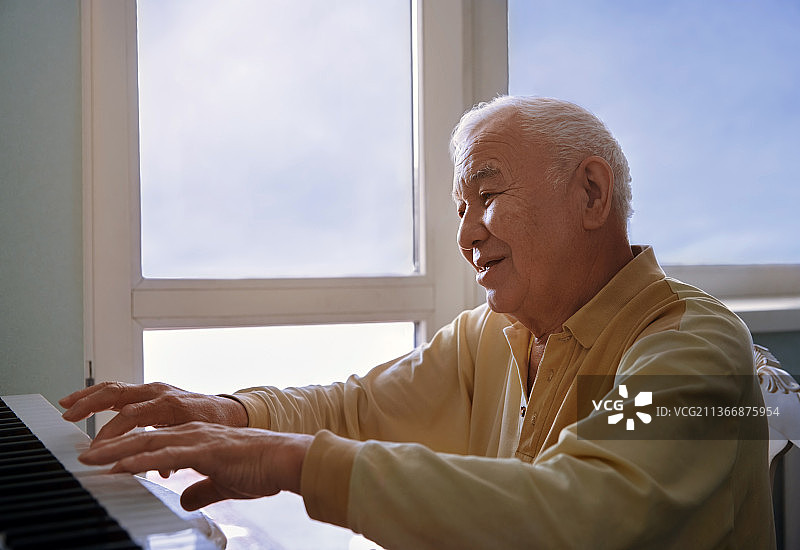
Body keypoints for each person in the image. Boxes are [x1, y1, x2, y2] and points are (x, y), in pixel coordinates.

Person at [61, 96, 775, 549]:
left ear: (591, 192)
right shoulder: (489, 334)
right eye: (459, 208)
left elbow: (585, 512)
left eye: (487, 193)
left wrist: (294, 462)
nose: (466, 235)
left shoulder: (692, 346)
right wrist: (234, 412)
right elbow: (360, 407)